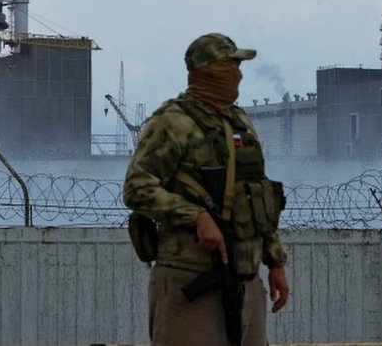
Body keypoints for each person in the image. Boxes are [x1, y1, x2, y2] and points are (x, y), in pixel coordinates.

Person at [123, 32, 290, 346]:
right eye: (231, 65)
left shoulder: (241, 122)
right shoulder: (172, 122)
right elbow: (136, 187)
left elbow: (258, 196)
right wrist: (195, 216)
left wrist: (275, 262)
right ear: (207, 70)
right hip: (190, 276)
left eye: (239, 66)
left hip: (246, 279)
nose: (238, 74)